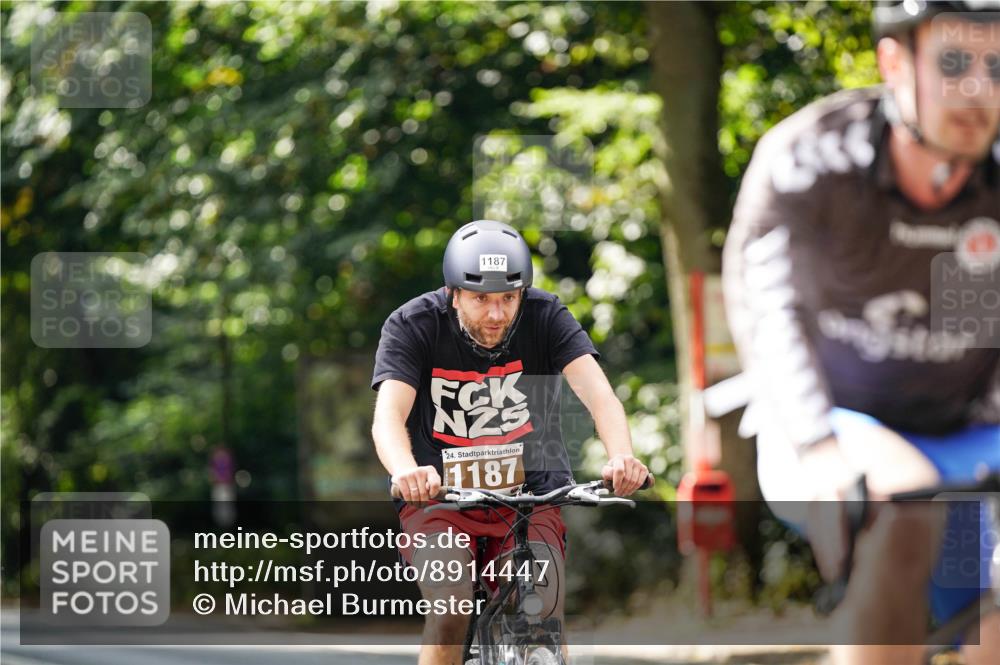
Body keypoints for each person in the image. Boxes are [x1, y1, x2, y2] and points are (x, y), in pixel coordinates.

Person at [723, 2, 999, 663]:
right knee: (902, 506)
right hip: (835, 418)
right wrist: (818, 447)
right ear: (894, 63)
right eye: (953, 63)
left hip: (971, 419)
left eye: (997, 66)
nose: (978, 90)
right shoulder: (810, 158)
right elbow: (769, 309)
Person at [371, 219, 650, 665]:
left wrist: (622, 457)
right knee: (450, 607)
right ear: (453, 293)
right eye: (481, 299)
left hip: (530, 497)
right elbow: (388, 415)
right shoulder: (413, 324)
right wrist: (406, 471)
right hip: (439, 500)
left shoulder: (546, 316)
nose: (497, 314)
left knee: (543, 609)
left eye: (508, 298)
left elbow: (600, 395)